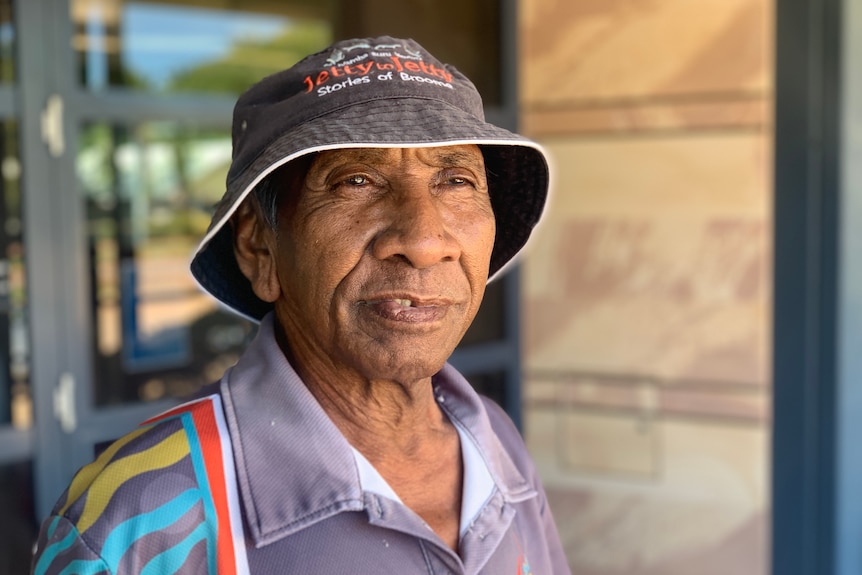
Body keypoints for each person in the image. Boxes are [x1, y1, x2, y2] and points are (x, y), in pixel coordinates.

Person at [31, 36, 569, 574]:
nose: (426, 240)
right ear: (259, 247)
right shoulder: (137, 520)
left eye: (456, 180)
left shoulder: (493, 441)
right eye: (356, 180)